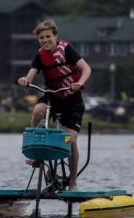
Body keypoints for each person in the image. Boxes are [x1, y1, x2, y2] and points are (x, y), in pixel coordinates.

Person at [17, 18, 91, 190]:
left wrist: (79, 82)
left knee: (71, 141)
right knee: (37, 110)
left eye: (48, 36)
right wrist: (25, 80)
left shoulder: (66, 50)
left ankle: (72, 182)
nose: (45, 40)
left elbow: (86, 68)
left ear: (55, 36)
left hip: (72, 99)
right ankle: (35, 152)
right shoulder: (40, 55)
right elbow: (31, 74)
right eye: (41, 38)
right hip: (52, 96)